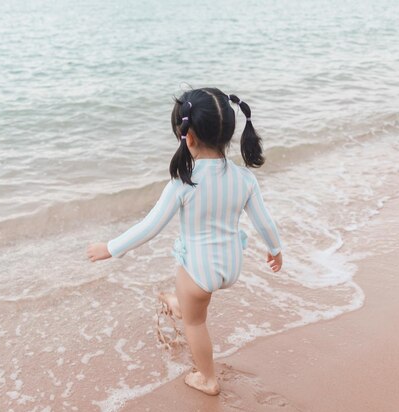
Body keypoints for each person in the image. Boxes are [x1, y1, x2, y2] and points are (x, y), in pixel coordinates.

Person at [86, 87, 283, 396]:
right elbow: (265, 222)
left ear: (187, 137)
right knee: (194, 299)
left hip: (198, 271)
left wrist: (111, 248)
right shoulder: (245, 179)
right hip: (231, 266)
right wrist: (275, 250)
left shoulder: (182, 183)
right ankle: (181, 303)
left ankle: (207, 378)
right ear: (230, 134)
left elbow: (149, 227)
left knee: (195, 323)